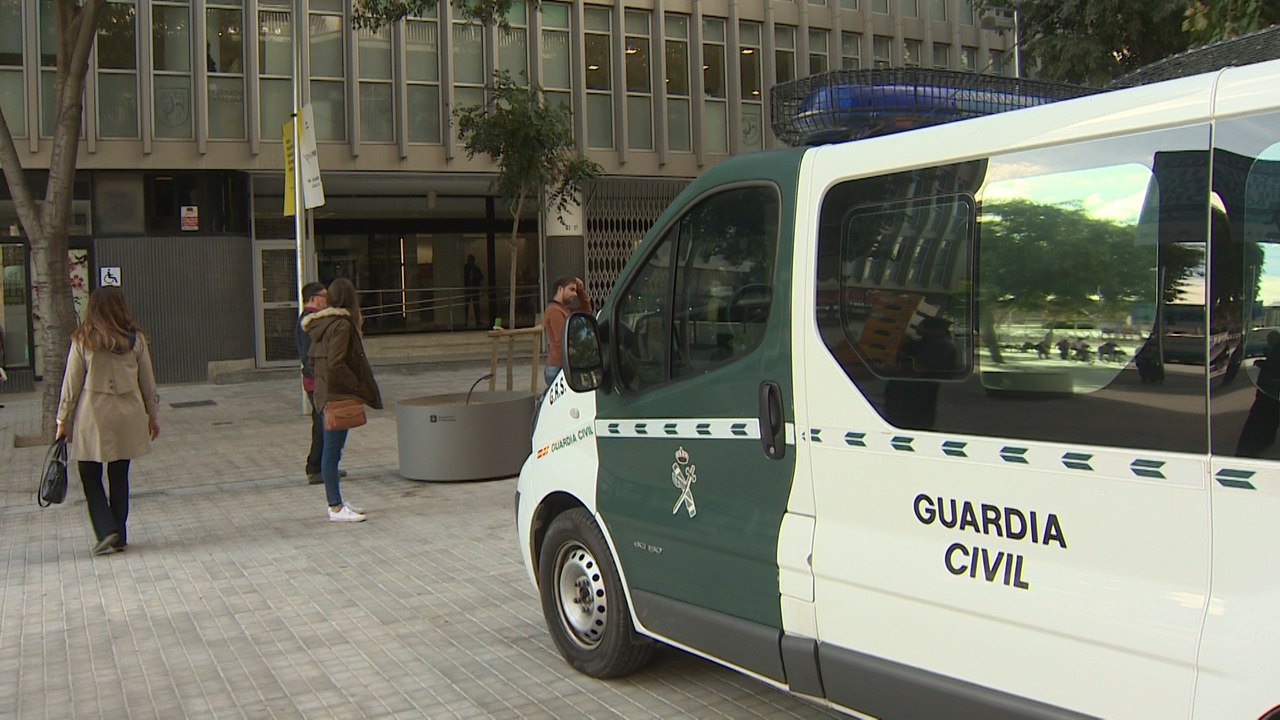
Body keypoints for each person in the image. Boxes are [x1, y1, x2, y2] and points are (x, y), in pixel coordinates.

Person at [55, 287, 160, 555]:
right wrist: (153, 414)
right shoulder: (136, 340)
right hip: (128, 413)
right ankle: (119, 534)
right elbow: (147, 381)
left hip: (94, 414)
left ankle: (106, 529)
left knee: (90, 473)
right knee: (119, 473)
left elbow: (71, 383)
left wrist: (62, 420)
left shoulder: (83, 340)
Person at [303, 277, 383, 522]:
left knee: (333, 449)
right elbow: (337, 362)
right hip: (337, 393)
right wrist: (355, 385)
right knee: (332, 450)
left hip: (326, 392)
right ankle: (335, 506)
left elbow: (315, 360)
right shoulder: (342, 325)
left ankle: (335, 499)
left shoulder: (323, 323)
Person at [296, 282, 328, 486]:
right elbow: (309, 355)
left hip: (317, 380)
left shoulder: (312, 320)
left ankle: (323, 466)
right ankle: (315, 467)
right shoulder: (309, 322)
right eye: (324, 295)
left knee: (324, 424)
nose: (327, 299)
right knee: (322, 425)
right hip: (316, 381)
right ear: (314, 298)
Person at [542, 276, 592, 389]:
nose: (575, 294)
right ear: (560, 289)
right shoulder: (555, 311)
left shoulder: (564, 310)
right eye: (572, 289)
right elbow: (561, 342)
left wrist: (581, 290)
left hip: (563, 366)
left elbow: (586, 311)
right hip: (559, 368)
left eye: (575, 290)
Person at [1236, 330, 1280, 457]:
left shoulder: (1277, 350)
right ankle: (1265, 441)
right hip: (1270, 390)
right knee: (1270, 419)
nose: (1268, 342)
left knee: (1259, 418)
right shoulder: (1275, 349)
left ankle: (1249, 448)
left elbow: (1274, 367)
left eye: (1270, 339)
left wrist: (1261, 364)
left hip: (1269, 390)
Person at [463, 254, 484, 328]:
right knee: (466, 306)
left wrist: (476, 279)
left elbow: (481, 277)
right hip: (467, 289)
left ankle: (478, 320)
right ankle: (464, 320)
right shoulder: (465, 268)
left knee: (476, 306)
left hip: (474, 289)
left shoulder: (476, 268)